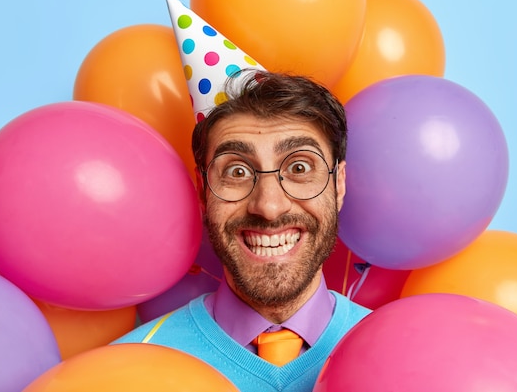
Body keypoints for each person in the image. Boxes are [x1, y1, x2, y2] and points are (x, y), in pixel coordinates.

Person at [113, 70, 371, 391]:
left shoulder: (403, 354)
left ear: (338, 184)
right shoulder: (125, 372)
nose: (269, 206)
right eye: (237, 171)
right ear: (203, 190)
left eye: (299, 168)